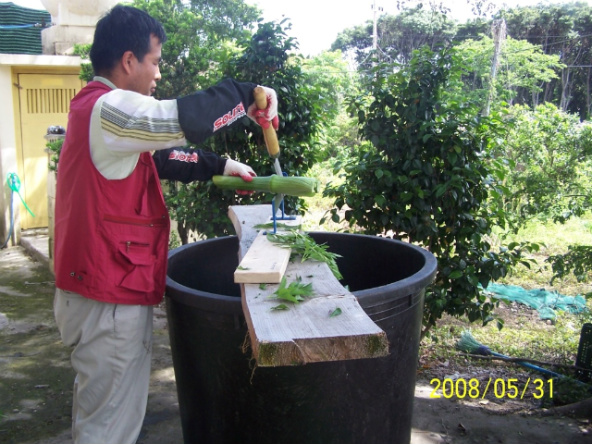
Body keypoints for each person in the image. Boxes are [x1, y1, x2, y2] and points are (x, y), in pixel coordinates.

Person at [52, 5, 278, 444]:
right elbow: (179, 121)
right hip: (108, 300)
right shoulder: (108, 109)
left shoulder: (99, 115)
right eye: (154, 62)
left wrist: (224, 164)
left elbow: (163, 155)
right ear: (128, 61)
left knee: (102, 412)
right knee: (109, 428)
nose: (158, 74)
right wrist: (247, 94)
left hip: (98, 291)